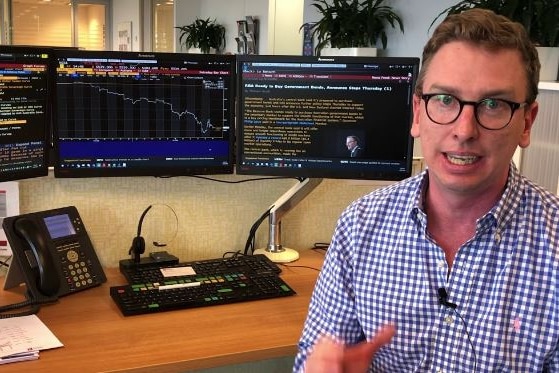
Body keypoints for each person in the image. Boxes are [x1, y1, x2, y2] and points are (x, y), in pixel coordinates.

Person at [294, 8, 559, 372]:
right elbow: (315, 359)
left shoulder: (554, 246)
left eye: (493, 104)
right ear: (418, 112)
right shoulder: (360, 227)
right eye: (446, 100)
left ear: (526, 123)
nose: (465, 130)